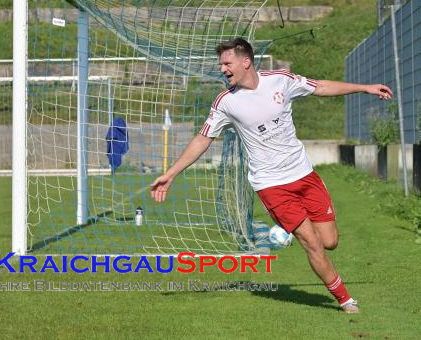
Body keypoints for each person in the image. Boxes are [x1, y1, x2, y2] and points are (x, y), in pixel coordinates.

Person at [150, 38, 393, 314]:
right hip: (271, 185)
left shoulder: (280, 81)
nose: (222, 69)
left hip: (304, 175)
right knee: (312, 243)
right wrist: (171, 173)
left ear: (246, 62)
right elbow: (202, 139)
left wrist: (365, 88)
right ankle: (346, 300)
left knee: (329, 241)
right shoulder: (226, 102)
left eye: (227, 63)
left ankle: (286, 231)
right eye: (221, 64)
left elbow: (320, 86)